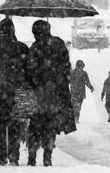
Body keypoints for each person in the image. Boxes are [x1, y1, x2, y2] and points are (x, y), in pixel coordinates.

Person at [26, 20, 76, 167]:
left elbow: (29, 71)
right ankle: (48, 156)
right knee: (50, 126)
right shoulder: (58, 45)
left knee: (35, 126)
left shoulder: (34, 48)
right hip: (55, 95)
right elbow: (66, 67)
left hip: (38, 95)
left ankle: (32, 156)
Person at [0, 18, 29, 166]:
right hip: (17, 94)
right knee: (15, 127)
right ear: (13, 31)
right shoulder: (21, 48)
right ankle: (14, 156)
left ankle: (1, 157)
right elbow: (30, 72)